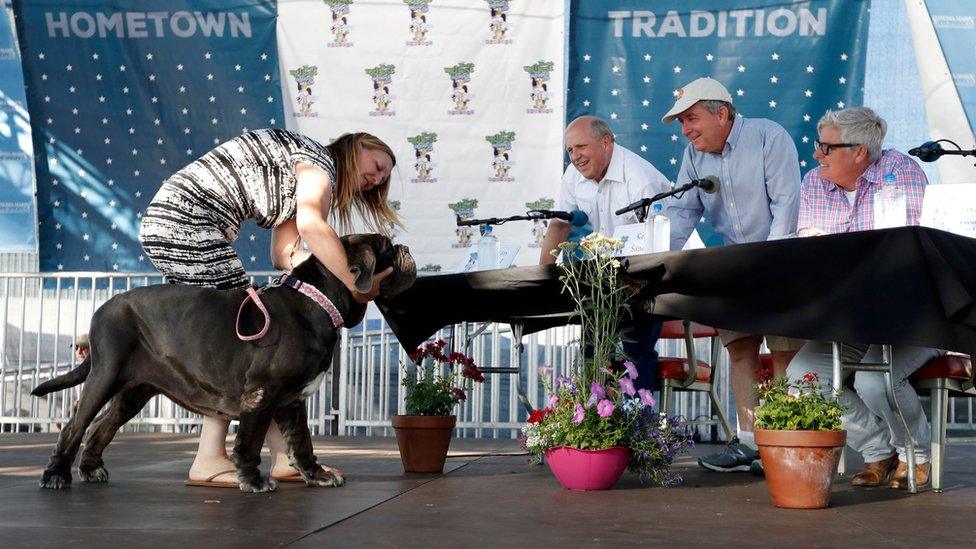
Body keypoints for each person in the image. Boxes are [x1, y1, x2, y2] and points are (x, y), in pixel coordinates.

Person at [139, 129, 399, 487]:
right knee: (240, 343)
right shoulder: (320, 168)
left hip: (174, 220)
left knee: (268, 360)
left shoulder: (302, 165)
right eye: (378, 165)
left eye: (382, 180)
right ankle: (209, 458)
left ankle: (285, 458)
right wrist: (356, 282)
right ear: (359, 146)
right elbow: (311, 225)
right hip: (186, 222)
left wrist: (334, 278)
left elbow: (285, 254)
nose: (376, 179)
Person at [790, 106, 942, 489]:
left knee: (878, 381)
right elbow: (812, 254)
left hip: (915, 313)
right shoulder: (814, 182)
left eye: (826, 147)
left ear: (860, 152)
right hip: (851, 315)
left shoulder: (900, 172)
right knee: (803, 378)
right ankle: (878, 451)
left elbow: (902, 253)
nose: (816, 155)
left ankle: (915, 454)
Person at [661, 77, 805, 472]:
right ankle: (749, 444)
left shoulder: (768, 137)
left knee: (783, 351)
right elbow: (681, 213)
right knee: (740, 349)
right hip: (732, 266)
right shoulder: (694, 156)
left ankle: (784, 442)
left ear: (721, 113)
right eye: (681, 124)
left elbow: (786, 204)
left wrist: (771, 262)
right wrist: (655, 257)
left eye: (691, 119)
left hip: (777, 262)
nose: (686, 130)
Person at [539, 115, 671, 390]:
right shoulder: (573, 175)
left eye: (581, 147)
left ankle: (639, 426)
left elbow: (660, 245)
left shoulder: (640, 179)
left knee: (636, 355)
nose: (575, 156)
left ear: (607, 142)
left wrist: (637, 284)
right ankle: (594, 423)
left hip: (644, 280)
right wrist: (543, 277)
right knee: (593, 352)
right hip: (601, 282)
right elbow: (560, 224)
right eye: (570, 150)